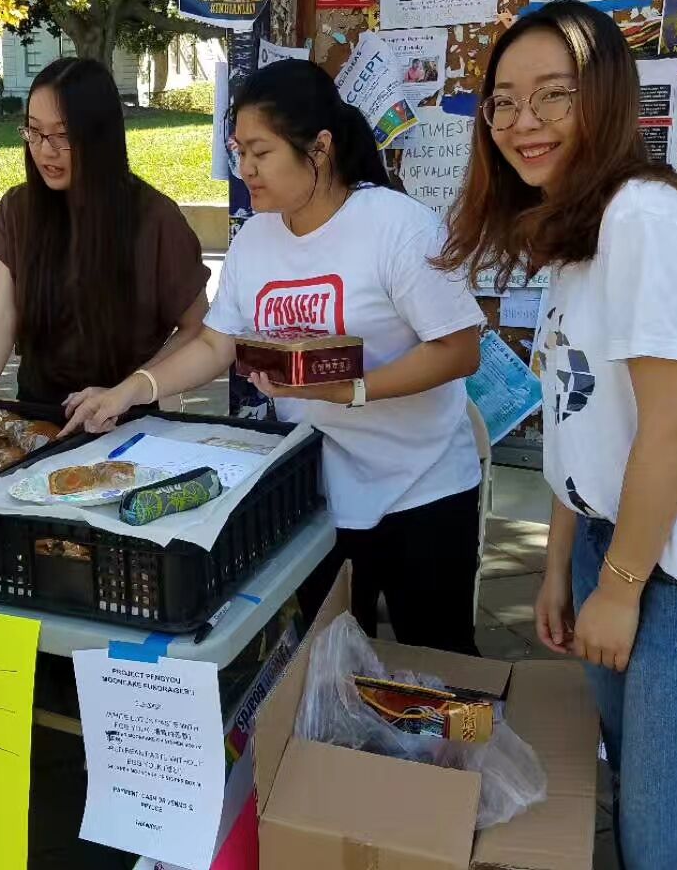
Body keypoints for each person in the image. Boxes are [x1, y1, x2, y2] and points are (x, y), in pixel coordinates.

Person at [436, 0, 677, 868]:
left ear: (605, 97)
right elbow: (580, 418)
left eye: (554, 95)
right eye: (505, 101)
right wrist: (562, 564)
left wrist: (621, 588)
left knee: (665, 846)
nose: (525, 123)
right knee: (636, 808)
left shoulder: (643, 220)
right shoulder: (578, 231)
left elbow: (672, 429)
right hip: (615, 544)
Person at [64, 60, 486, 653]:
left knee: (439, 661)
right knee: (331, 659)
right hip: (315, 485)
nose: (245, 170)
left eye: (260, 152)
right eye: (238, 151)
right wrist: (131, 389)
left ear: (319, 148)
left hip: (423, 486)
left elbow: (459, 349)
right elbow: (217, 342)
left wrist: (354, 390)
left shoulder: (397, 228)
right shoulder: (256, 239)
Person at [0, 57, 211, 464]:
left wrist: (130, 388)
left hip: (125, 424)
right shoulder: (19, 209)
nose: (45, 151)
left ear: (100, 137)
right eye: (35, 132)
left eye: (63, 136)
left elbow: (199, 330)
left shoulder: (155, 219)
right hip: (35, 422)